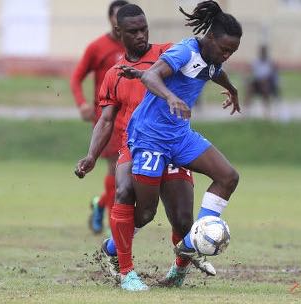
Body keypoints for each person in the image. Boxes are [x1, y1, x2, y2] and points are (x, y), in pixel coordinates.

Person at [75, 4, 211, 291]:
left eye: (144, 29)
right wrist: (91, 155)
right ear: (118, 32)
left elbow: (202, 58)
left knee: (183, 219)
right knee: (129, 198)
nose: (141, 35)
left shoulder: (167, 54)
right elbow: (106, 119)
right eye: (133, 31)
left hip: (172, 143)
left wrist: (225, 82)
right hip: (134, 146)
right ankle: (127, 272)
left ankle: (175, 270)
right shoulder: (114, 74)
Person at [117, 0, 242, 284]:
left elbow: (214, 72)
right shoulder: (185, 51)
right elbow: (151, 75)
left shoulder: (213, 59)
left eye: (232, 52)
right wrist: (171, 97)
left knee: (228, 177)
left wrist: (231, 89)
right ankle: (114, 249)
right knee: (146, 213)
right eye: (225, 49)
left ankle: (190, 243)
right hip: (150, 137)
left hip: (180, 136)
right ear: (210, 38)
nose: (227, 56)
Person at [70, 0, 129, 234]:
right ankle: (113, 216)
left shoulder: (135, 45)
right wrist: (82, 104)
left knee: (130, 171)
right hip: (108, 118)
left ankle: (101, 204)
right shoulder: (97, 47)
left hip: (134, 116)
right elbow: (76, 77)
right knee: (116, 168)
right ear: (111, 19)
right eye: (118, 18)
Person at [243, 44, 280, 118]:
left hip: (268, 83)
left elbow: (274, 76)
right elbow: (249, 72)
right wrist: (246, 79)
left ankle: (267, 113)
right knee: (250, 87)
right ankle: (245, 112)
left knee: (264, 84)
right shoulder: (255, 62)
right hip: (257, 82)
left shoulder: (270, 63)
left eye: (264, 51)